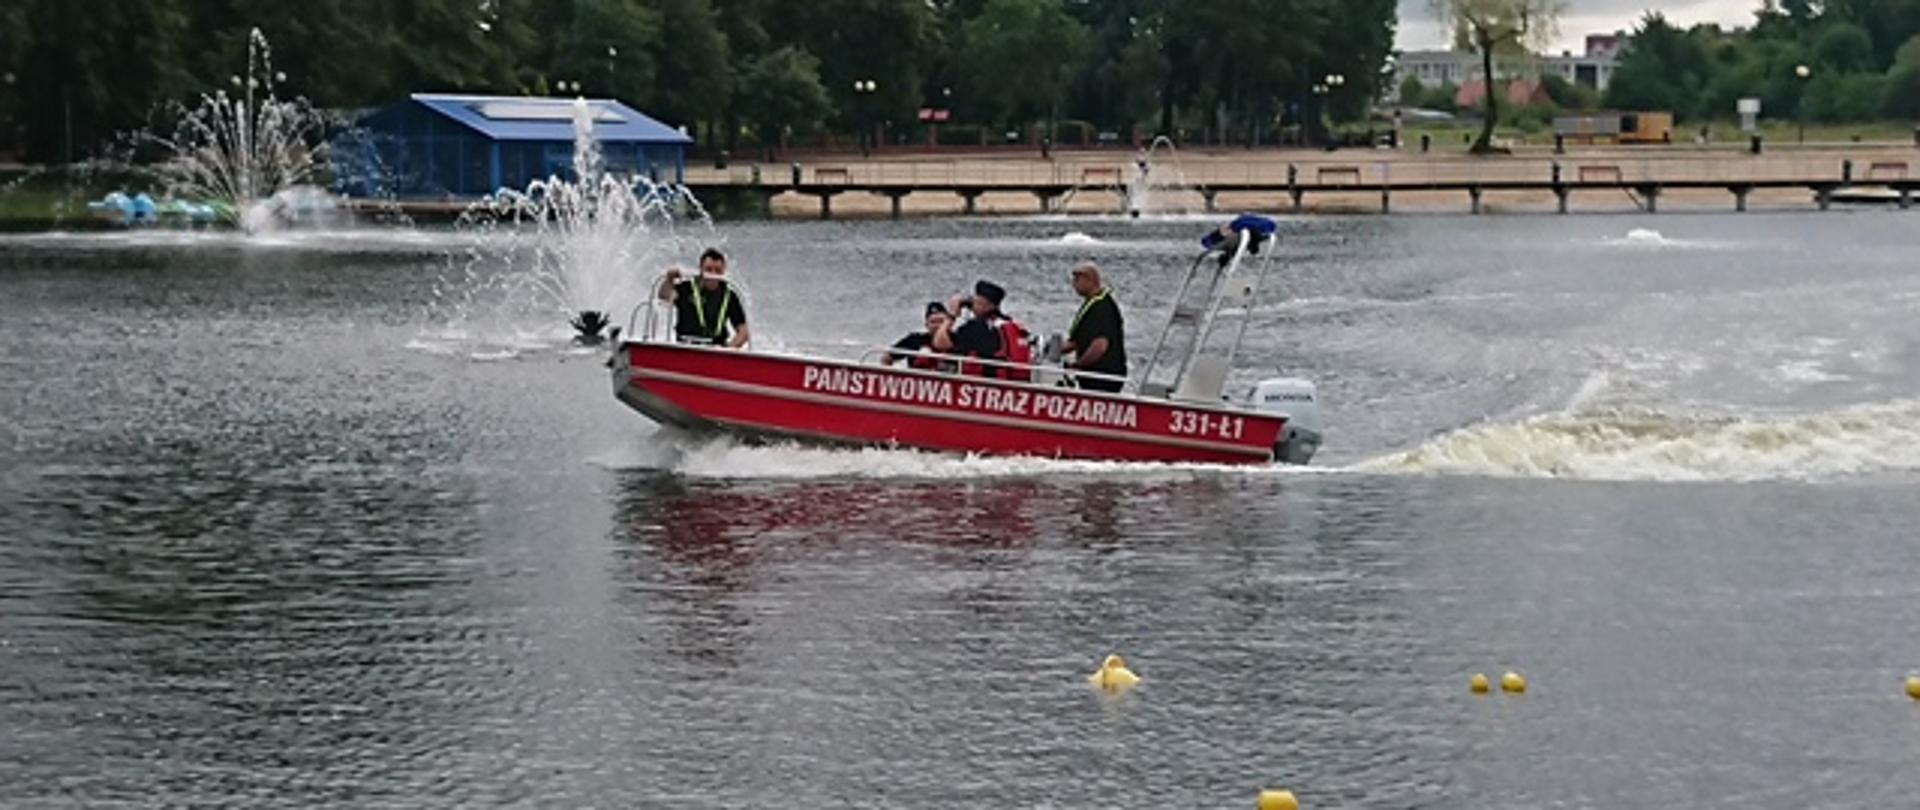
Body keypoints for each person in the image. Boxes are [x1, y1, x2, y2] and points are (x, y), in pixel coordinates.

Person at [933, 280, 1032, 381]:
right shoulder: (1009, 325)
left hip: (986, 385)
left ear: (983, 303)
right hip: (1012, 385)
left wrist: (951, 315)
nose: (971, 304)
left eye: (975, 301)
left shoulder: (976, 327)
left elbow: (939, 343)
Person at [657, 247, 749, 348]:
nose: (713, 275)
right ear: (701, 269)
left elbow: (743, 331)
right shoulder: (687, 288)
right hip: (685, 347)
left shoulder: (730, 295)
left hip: (716, 350)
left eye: (718, 271)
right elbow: (664, 296)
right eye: (709, 269)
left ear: (723, 271)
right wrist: (669, 279)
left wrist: (727, 350)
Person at [1061, 262, 1127, 392]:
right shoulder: (1091, 303)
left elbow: (1100, 345)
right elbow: (1076, 341)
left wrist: (1078, 365)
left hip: (1103, 377)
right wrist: (1052, 349)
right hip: (1091, 378)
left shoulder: (1102, 307)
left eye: (1077, 279)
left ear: (1089, 280)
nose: (1073, 284)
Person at [883, 302, 956, 371]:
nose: (937, 326)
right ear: (926, 325)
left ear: (949, 323)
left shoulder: (958, 340)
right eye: (933, 322)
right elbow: (888, 357)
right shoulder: (914, 340)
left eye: (941, 321)